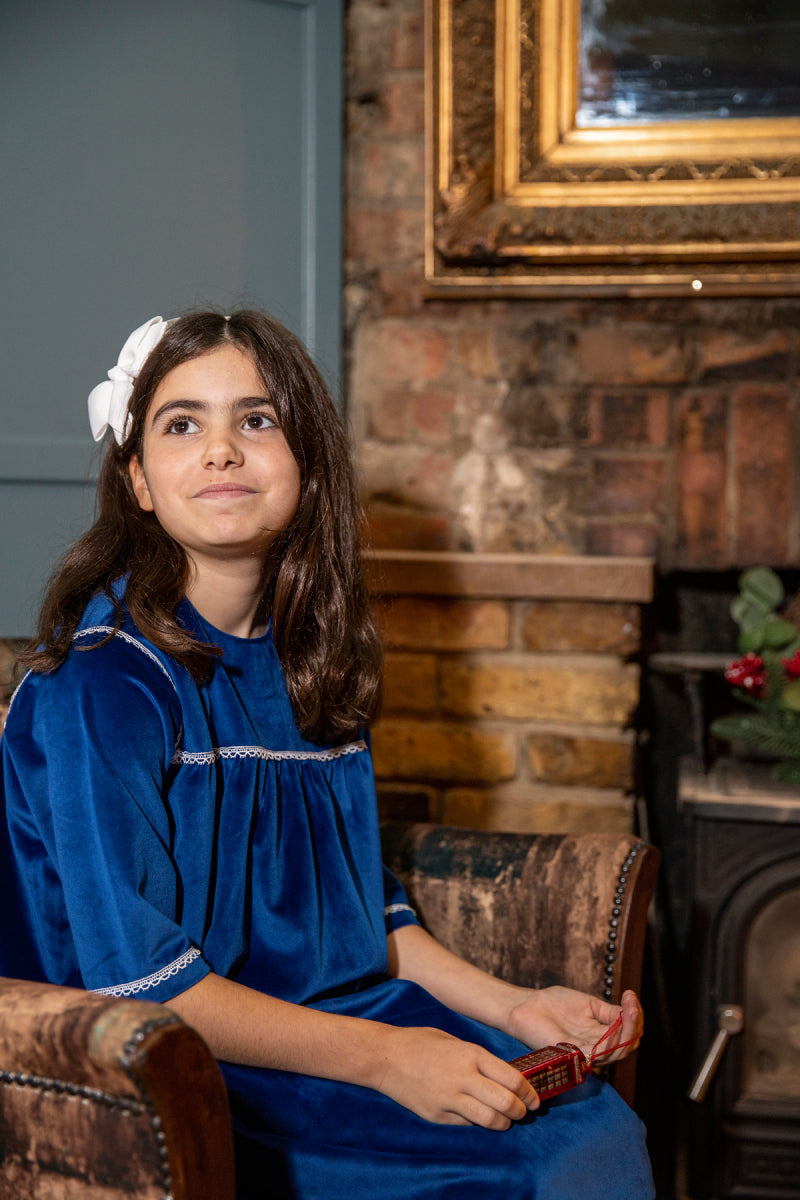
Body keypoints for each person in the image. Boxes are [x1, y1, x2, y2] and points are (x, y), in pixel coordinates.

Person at [0, 311, 655, 1198]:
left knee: (592, 1126)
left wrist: (516, 1005)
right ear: (139, 481)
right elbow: (144, 987)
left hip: (335, 1023)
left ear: (307, 468)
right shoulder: (105, 684)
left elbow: (365, 916)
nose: (221, 450)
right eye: (182, 424)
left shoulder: (313, 664)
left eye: (257, 420)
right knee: (528, 1170)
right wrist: (388, 1059)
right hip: (172, 1072)